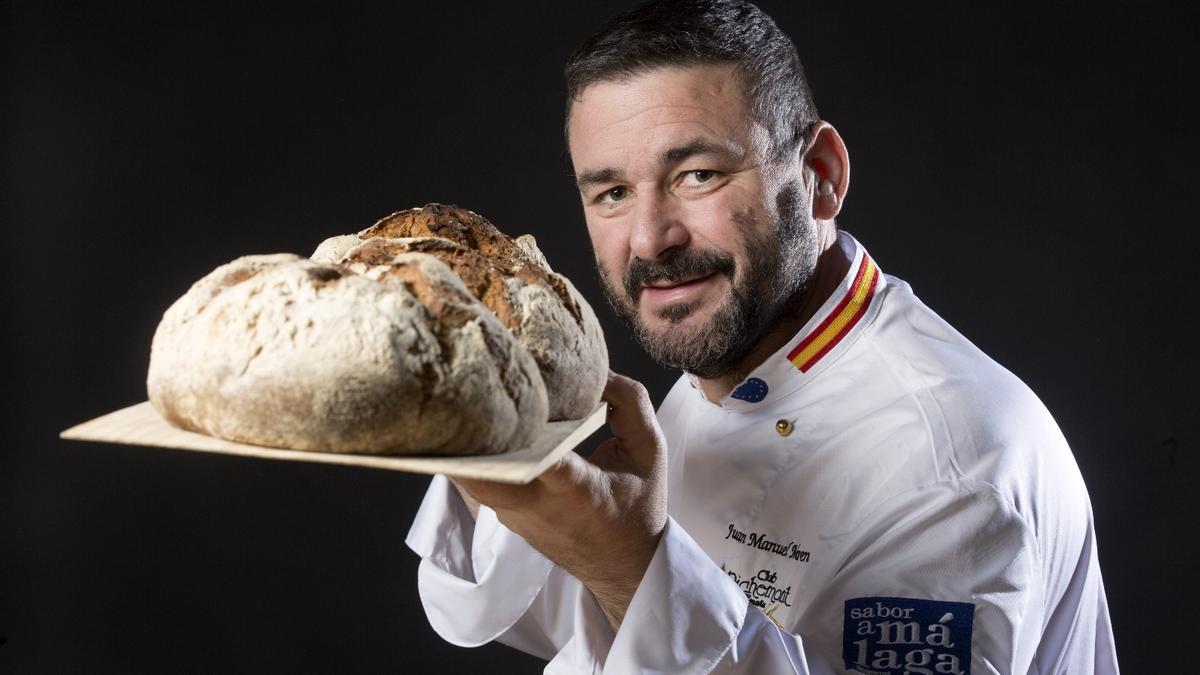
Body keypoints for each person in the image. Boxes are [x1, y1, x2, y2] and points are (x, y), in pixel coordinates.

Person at [405, 0, 1120, 672]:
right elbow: (574, 629)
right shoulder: (735, 354)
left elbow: (640, 600)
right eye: (612, 193)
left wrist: (629, 559)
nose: (651, 239)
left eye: (698, 175)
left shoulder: (953, 466)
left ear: (821, 177)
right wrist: (489, 450)